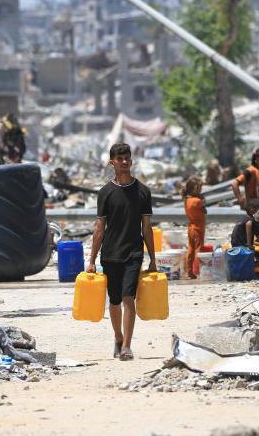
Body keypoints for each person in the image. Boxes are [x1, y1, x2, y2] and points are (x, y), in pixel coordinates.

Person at [88, 143, 157, 361]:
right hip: (110, 253)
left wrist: (152, 259)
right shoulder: (105, 193)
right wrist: (91, 260)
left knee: (129, 298)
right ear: (112, 162)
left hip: (133, 253)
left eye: (127, 157)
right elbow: (100, 229)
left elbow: (146, 228)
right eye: (120, 158)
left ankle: (127, 345)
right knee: (114, 300)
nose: (125, 161)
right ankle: (118, 337)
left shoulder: (143, 192)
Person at [232, 147, 259, 245]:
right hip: (255, 211)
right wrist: (240, 199)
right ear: (257, 159)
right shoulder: (250, 171)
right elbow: (235, 183)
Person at [182, 175, 206, 279]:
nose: (201, 190)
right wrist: (203, 200)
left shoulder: (187, 199)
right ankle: (198, 271)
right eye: (200, 188)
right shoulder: (197, 201)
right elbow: (204, 210)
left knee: (191, 249)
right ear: (195, 188)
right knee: (198, 250)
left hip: (191, 227)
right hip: (198, 229)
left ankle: (189, 272)